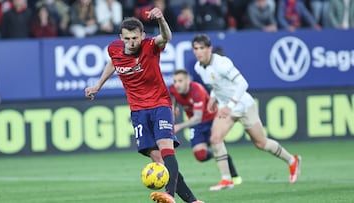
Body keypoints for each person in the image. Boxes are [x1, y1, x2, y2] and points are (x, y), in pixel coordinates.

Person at [85, 8, 204, 203]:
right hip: (138, 112)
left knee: (167, 150)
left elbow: (166, 37)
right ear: (121, 38)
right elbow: (113, 63)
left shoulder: (150, 46)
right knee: (158, 160)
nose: (131, 43)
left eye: (135, 38)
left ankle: (169, 195)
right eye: (127, 39)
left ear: (143, 36)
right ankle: (193, 201)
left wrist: (161, 20)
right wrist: (98, 85)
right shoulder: (114, 48)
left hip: (160, 105)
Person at [191, 34, 302, 184]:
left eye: (202, 48)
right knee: (215, 139)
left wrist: (230, 106)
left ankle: (292, 160)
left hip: (243, 105)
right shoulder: (198, 67)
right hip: (226, 107)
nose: (198, 52)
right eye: (196, 48)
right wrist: (213, 97)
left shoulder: (222, 64)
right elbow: (216, 84)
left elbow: (243, 84)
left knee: (261, 143)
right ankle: (226, 179)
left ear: (209, 49)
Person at [170, 69, 242, 191]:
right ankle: (218, 156)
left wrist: (179, 126)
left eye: (180, 81)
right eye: (175, 81)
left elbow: (198, 118)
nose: (177, 84)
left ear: (188, 81)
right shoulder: (173, 89)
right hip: (196, 125)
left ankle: (232, 175)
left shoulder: (197, 90)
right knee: (200, 155)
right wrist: (174, 107)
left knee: (216, 144)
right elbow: (173, 98)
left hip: (211, 120)